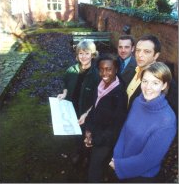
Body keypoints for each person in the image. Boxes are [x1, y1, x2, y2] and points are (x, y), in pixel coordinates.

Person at [109, 62, 177, 183]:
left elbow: (149, 160)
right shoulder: (138, 101)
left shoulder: (167, 121)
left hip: (142, 176)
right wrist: (117, 156)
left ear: (164, 85)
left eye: (155, 83)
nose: (148, 87)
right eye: (145, 81)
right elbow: (125, 130)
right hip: (122, 163)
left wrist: (120, 165)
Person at [83, 53, 127, 183]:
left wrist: (94, 140)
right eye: (101, 69)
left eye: (109, 69)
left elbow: (116, 127)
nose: (104, 73)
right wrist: (88, 130)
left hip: (105, 140)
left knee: (95, 172)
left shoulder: (120, 94)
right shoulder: (100, 85)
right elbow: (94, 109)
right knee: (93, 166)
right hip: (95, 133)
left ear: (116, 70)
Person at [57, 39, 100, 163]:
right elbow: (65, 83)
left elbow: (98, 98)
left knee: (86, 133)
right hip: (72, 108)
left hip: (86, 110)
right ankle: (78, 151)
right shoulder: (71, 70)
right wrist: (64, 93)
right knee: (76, 132)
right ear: (77, 55)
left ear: (93, 54)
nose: (84, 56)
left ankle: (87, 155)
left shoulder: (96, 74)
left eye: (87, 53)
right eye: (81, 53)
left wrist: (87, 113)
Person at [126, 34, 178, 116]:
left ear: (156, 55)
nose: (140, 55)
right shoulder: (134, 70)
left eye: (146, 51)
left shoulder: (166, 80)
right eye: (138, 50)